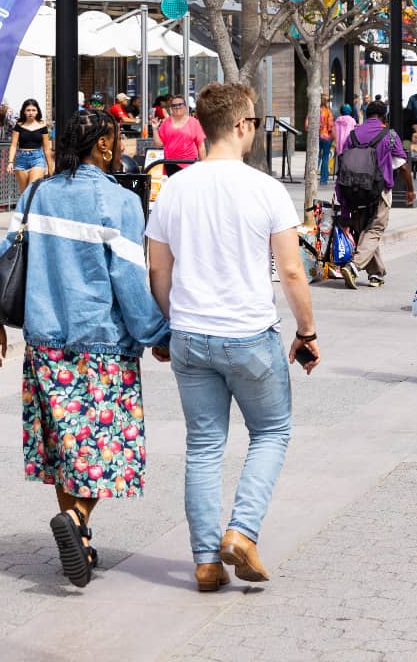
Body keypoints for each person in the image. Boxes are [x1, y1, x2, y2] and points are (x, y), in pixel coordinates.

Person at [146, 82, 319, 592]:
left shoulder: (174, 187)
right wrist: (306, 331)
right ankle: (241, 532)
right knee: (270, 432)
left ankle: (204, 560)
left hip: (190, 335)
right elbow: (291, 272)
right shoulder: (265, 189)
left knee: (203, 446)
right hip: (248, 335)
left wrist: (172, 319)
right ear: (243, 126)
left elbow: (158, 270)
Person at [0, 108, 170, 589]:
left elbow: (4, 255)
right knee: (102, 448)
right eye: (119, 139)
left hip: (44, 342)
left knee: (64, 448)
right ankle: (76, 524)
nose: (125, 147)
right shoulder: (119, 203)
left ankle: (82, 539)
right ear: (105, 147)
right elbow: (131, 282)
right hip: (102, 345)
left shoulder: (35, 193)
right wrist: (158, 335)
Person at [335, 99, 414, 289]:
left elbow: (343, 167)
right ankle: (353, 266)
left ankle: (376, 275)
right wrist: (410, 189)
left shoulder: (352, 135)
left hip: (353, 191)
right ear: (384, 116)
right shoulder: (389, 135)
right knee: (375, 230)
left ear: (367, 114)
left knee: (366, 232)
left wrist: (343, 204)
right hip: (378, 192)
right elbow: (402, 165)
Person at [6, 98, 54, 192]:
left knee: (32, 191)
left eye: (33, 110)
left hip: (37, 159)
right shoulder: (19, 125)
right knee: (24, 193)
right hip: (21, 160)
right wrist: (10, 162)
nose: (31, 113)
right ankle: (25, 207)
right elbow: (14, 145)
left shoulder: (42, 126)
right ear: (24, 112)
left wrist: (50, 168)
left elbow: (47, 149)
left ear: (37, 112)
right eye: (28, 110)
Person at [153, 94, 207, 167]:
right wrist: (154, 129)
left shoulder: (194, 122)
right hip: (170, 163)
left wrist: (204, 166)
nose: (177, 107)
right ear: (171, 108)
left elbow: (201, 146)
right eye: (174, 105)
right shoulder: (165, 123)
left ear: (185, 107)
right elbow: (158, 145)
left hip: (189, 163)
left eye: (180, 104)